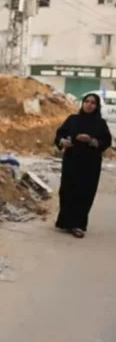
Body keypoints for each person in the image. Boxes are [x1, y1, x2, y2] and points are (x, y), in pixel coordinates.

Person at [54, 93, 112, 238]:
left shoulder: (100, 123)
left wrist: (91, 140)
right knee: (67, 190)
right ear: (83, 103)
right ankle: (65, 222)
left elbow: (106, 141)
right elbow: (59, 134)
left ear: (97, 106)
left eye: (93, 103)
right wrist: (63, 141)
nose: (89, 105)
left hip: (90, 163)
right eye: (87, 101)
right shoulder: (73, 119)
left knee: (85, 192)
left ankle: (78, 225)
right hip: (72, 160)